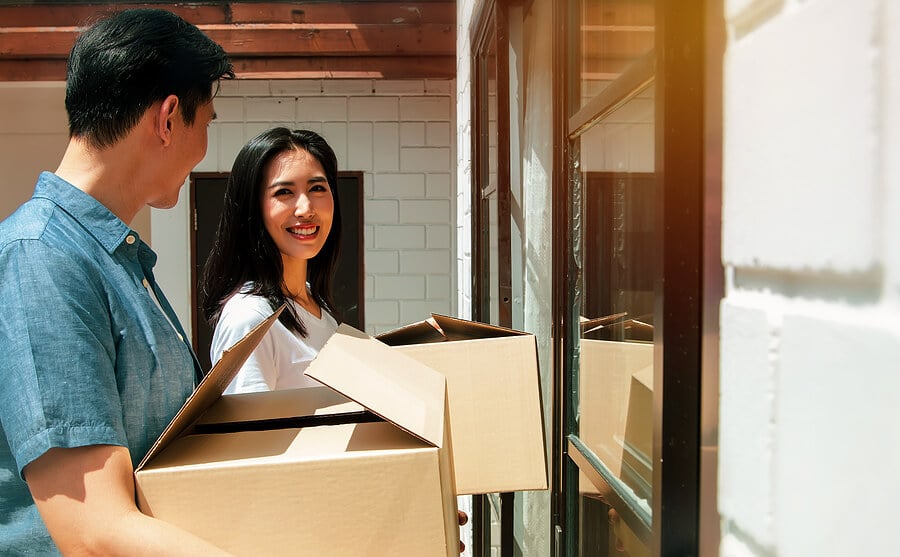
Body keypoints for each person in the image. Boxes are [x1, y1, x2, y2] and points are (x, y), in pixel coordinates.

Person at [0, 9, 236, 555]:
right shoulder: (42, 259)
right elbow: (93, 532)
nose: (204, 147)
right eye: (208, 123)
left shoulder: (114, 261)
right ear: (169, 118)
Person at [201, 127, 342, 393]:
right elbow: (249, 434)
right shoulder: (250, 318)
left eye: (317, 188)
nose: (306, 209)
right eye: (284, 193)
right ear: (253, 208)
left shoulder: (315, 305)